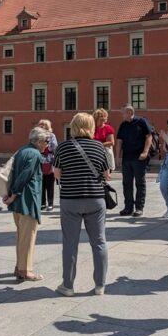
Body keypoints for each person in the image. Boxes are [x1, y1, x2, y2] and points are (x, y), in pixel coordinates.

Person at [53, 113, 110, 297]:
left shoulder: (63, 147)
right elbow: (107, 174)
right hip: (95, 198)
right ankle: (100, 285)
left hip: (70, 199)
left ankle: (68, 286)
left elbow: (57, 173)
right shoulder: (99, 147)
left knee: (70, 243)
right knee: (99, 242)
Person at [4, 126, 47, 281]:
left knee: (21, 236)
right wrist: (14, 194)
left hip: (18, 202)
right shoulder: (35, 154)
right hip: (27, 199)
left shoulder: (22, 150)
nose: (47, 144)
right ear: (39, 141)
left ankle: (19, 267)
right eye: (46, 141)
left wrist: (11, 195)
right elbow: (25, 176)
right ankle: (25, 270)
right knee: (28, 237)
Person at [116, 105, 152, 217]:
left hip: (139, 158)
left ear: (130, 112)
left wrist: (145, 152)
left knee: (140, 183)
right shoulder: (123, 125)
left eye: (123, 113)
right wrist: (117, 156)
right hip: (127, 158)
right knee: (126, 183)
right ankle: (128, 208)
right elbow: (119, 141)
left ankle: (139, 208)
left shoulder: (142, 122)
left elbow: (149, 137)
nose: (122, 115)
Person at [38, 119, 58, 212]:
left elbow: (55, 147)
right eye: (39, 125)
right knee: (41, 184)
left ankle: (50, 204)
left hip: (49, 161)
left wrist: (46, 146)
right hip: (40, 161)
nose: (40, 126)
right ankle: (42, 203)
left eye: (42, 125)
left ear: (47, 126)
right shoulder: (37, 136)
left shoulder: (51, 135)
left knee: (50, 184)